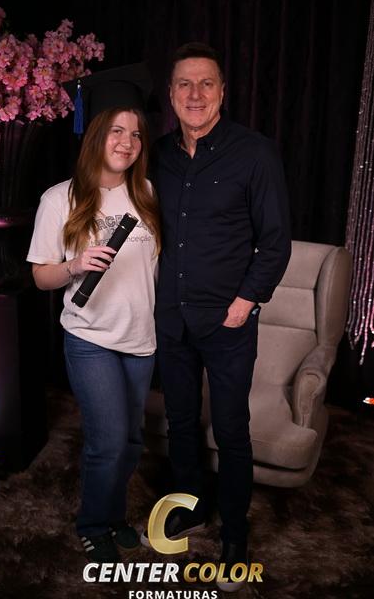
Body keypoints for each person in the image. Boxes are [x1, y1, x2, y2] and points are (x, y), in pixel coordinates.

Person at [142, 43, 291, 592]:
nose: (195, 94)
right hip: (173, 318)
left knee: (230, 431)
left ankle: (234, 532)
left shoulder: (255, 153)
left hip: (228, 323)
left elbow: (275, 241)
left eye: (206, 83)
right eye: (184, 83)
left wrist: (245, 303)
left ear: (223, 92)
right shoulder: (157, 154)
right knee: (181, 423)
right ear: (171, 94)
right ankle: (192, 508)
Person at [27, 66, 161, 563]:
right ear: (95, 134)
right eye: (116, 131)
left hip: (141, 340)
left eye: (136, 134)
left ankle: (113, 515)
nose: (127, 143)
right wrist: (75, 265)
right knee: (107, 441)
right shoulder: (59, 198)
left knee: (131, 441)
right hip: (90, 339)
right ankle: (93, 524)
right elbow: (41, 277)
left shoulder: (147, 195)